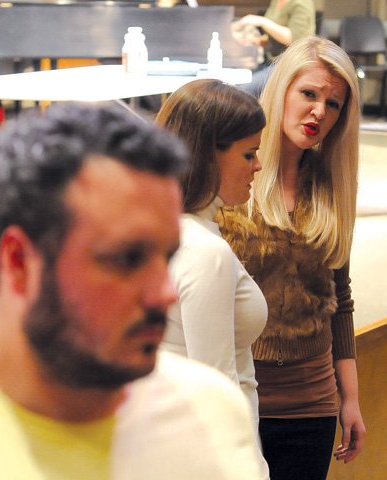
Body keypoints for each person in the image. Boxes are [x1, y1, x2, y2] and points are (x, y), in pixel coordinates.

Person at [0, 103, 265, 479]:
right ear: (19, 262)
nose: (164, 294)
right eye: (126, 259)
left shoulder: (213, 417)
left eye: (166, 257)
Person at [217, 36, 367, 480]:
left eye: (334, 104)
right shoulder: (233, 177)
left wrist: (351, 399)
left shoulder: (331, 186)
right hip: (238, 399)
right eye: (309, 94)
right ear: (281, 90)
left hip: (311, 406)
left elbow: (339, 298)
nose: (320, 112)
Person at [155, 79, 270, 479]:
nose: (257, 166)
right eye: (249, 154)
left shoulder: (164, 227)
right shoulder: (205, 252)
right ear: (207, 155)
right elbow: (216, 392)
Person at [233, 0, 316, 97]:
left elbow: (295, 39)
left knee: (244, 91)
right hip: (271, 61)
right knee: (235, 83)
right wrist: (257, 40)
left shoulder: (301, 3)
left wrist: (262, 21)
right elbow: (274, 35)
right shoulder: (277, 1)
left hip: (290, 65)